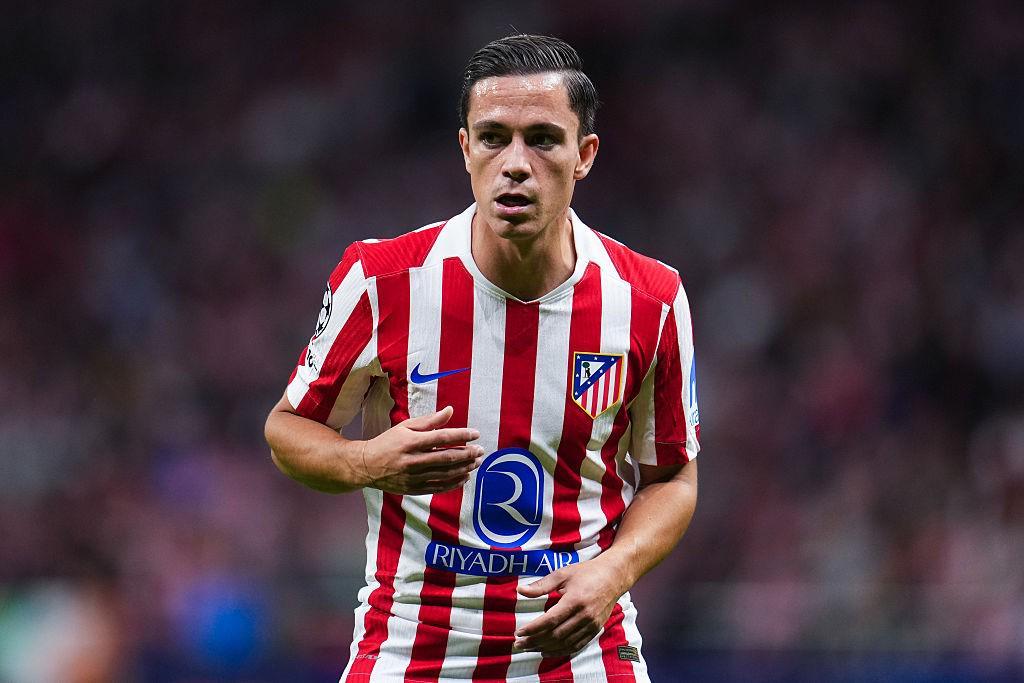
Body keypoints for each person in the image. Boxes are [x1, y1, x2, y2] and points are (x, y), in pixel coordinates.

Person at [265, 34, 700, 683]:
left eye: (543, 140)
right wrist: (366, 461)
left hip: (583, 655)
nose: (515, 163)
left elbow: (673, 477)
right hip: (412, 648)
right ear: (465, 148)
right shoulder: (382, 280)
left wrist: (614, 570)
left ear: (584, 155)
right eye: (494, 138)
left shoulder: (650, 300)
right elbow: (287, 430)